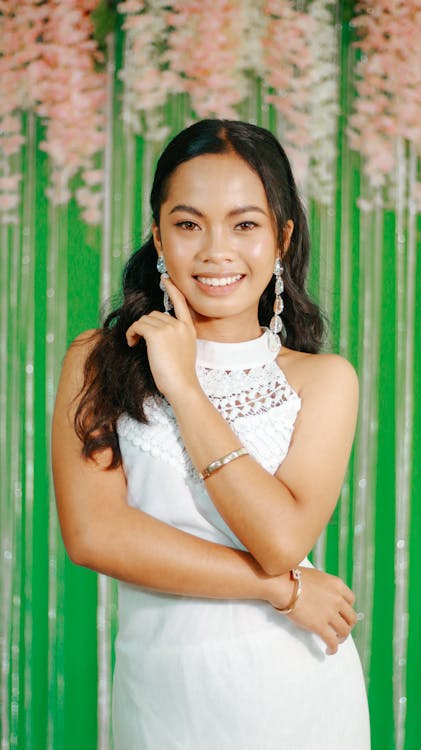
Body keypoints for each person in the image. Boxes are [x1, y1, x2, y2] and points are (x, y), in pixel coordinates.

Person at [52, 119, 371, 749]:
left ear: (282, 237)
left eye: (245, 224)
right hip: (162, 697)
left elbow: (280, 538)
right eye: (189, 223)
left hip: (296, 693)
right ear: (158, 235)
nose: (215, 250)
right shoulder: (99, 360)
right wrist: (280, 590)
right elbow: (95, 536)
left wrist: (186, 391)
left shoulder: (322, 380)